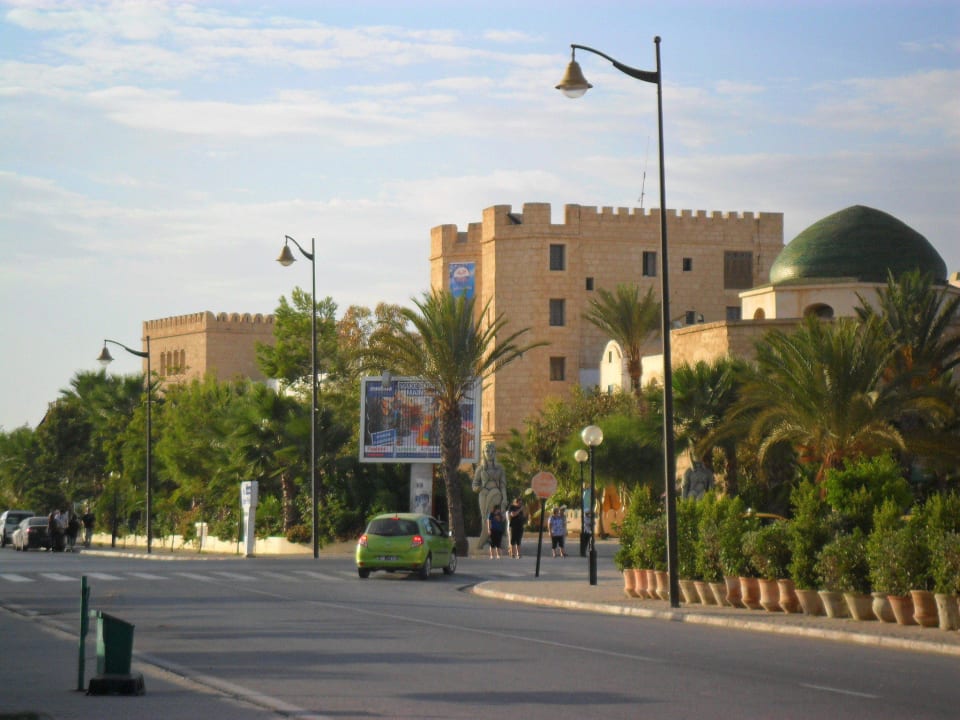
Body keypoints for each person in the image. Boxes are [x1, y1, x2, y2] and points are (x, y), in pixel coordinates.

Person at [472, 441, 507, 550]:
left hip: (496, 494)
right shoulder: (480, 469)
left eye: (492, 451)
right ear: (483, 452)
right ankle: (486, 539)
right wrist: (480, 489)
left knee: (496, 517)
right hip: (484, 495)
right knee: (485, 518)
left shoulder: (500, 468)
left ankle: (493, 541)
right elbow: (474, 484)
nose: (490, 453)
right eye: (487, 451)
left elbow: (503, 485)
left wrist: (505, 498)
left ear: (495, 452)